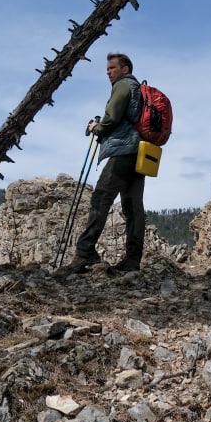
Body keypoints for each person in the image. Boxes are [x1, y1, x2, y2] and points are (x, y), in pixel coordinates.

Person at [65, 52, 145, 273]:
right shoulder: (139, 90)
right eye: (107, 69)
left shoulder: (123, 86)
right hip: (140, 153)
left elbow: (111, 117)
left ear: (125, 69)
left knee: (100, 198)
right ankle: (133, 260)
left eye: (112, 68)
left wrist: (96, 128)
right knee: (133, 207)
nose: (108, 72)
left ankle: (84, 253)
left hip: (122, 151)